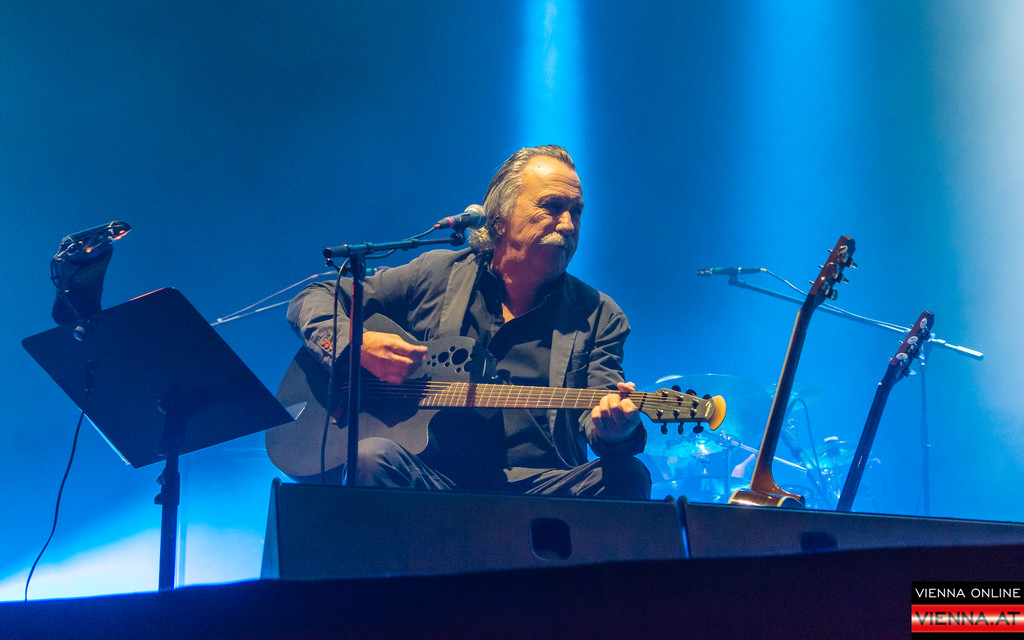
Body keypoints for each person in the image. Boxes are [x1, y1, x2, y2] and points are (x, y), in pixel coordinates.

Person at [286, 145, 651, 498]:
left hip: (543, 487)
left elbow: (599, 413)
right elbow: (315, 296)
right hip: (431, 477)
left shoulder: (599, 314)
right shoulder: (434, 275)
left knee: (628, 476)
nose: (569, 224)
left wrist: (616, 429)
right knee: (370, 457)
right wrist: (357, 347)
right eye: (552, 207)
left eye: (576, 212)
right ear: (499, 219)